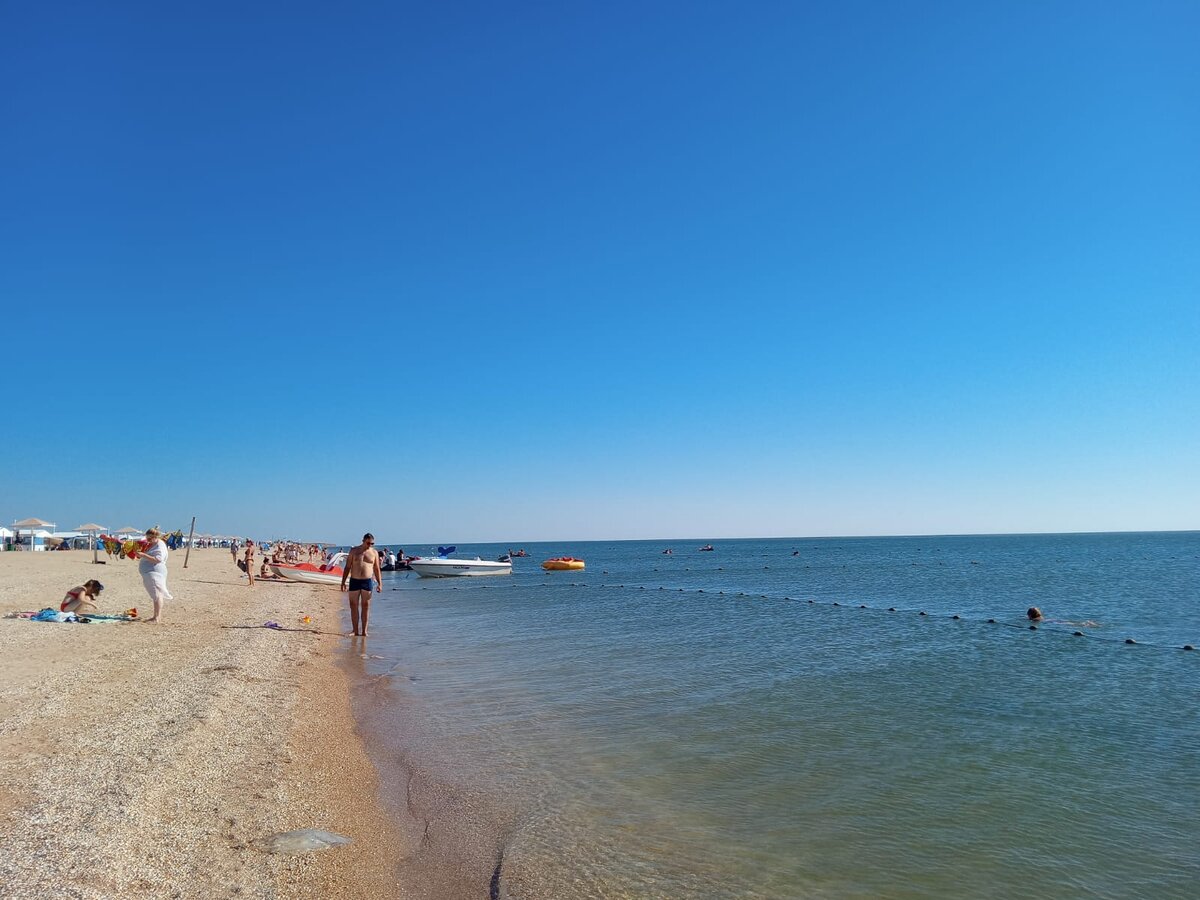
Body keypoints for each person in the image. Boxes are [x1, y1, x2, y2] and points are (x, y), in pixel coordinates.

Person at [340, 533, 382, 637]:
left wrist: (380, 583)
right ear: (363, 541)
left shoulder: (374, 553)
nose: (370, 545)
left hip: (367, 581)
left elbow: (376, 569)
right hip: (355, 580)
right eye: (368, 543)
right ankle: (355, 630)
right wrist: (343, 582)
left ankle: (364, 631)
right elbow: (347, 567)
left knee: (365, 606)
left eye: (372, 543)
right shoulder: (354, 551)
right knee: (353, 606)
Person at [138, 528, 173, 623]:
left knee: (157, 594)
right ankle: (156, 616)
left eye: (149, 539)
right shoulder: (153, 544)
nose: (148, 540)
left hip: (154, 572)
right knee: (156, 594)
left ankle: (157, 617)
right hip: (150, 572)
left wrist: (143, 555)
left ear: (155, 537)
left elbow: (158, 559)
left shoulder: (159, 545)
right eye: (147, 538)